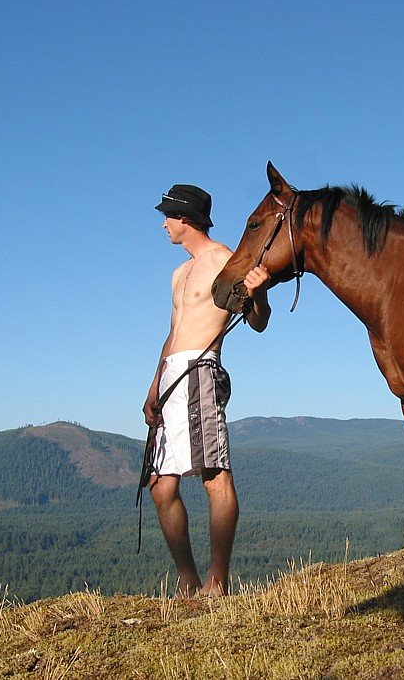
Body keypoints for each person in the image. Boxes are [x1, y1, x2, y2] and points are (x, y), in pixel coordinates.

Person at [143, 183, 271, 597]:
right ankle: (188, 581)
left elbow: (258, 321)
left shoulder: (226, 261)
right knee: (161, 486)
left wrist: (259, 291)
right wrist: (153, 387)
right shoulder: (179, 273)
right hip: (171, 379)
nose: (163, 224)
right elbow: (171, 333)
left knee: (214, 478)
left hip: (201, 371)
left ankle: (217, 581)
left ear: (185, 219)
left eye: (168, 216)